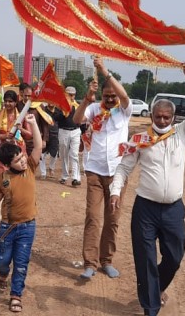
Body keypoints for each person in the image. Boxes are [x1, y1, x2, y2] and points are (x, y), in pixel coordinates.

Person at [109, 63, 185, 316]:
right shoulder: (140, 140)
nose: (162, 121)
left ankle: (157, 288)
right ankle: (150, 308)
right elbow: (123, 168)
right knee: (145, 261)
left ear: (173, 118)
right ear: (151, 117)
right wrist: (114, 191)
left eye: (167, 117)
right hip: (145, 209)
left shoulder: (182, 133)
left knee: (174, 257)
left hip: (174, 209)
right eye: (158, 117)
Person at [0, 113, 43, 313]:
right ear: (7, 164)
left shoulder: (30, 167)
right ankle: (2, 274)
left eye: (21, 157)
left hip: (28, 226)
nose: (22, 161)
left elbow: (38, 146)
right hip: (7, 228)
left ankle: (16, 295)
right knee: (3, 260)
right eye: (17, 160)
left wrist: (32, 124)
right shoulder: (3, 179)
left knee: (21, 262)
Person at [72, 56, 132, 280]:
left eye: (112, 96)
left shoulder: (124, 110)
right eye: (106, 96)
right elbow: (77, 120)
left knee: (113, 219)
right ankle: (90, 263)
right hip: (95, 172)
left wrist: (105, 71)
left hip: (118, 174)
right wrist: (87, 100)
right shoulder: (95, 108)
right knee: (92, 217)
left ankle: (107, 260)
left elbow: (124, 95)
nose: (109, 99)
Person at [0, 90, 33, 223]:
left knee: (18, 180)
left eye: (11, 101)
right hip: (2, 153)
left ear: (15, 102)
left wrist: (20, 129)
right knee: (1, 180)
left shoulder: (21, 116)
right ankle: (0, 213)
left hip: (18, 153)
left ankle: (18, 210)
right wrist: (4, 136)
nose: (7, 104)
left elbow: (29, 135)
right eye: (6, 101)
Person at [53, 86, 81, 186]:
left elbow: (81, 119)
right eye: (69, 95)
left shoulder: (77, 106)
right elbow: (55, 117)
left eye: (72, 95)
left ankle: (75, 177)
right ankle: (64, 176)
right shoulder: (60, 105)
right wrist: (63, 113)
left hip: (75, 131)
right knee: (64, 154)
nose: (71, 97)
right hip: (63, 131)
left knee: (74, 154)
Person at [39, 103, 59, 180]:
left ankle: (51, 168)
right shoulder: (43, 110)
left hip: (55, 135)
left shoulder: (58, 111)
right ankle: (43, 173)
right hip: (45, 135)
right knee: (42, 154)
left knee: (54, 154)